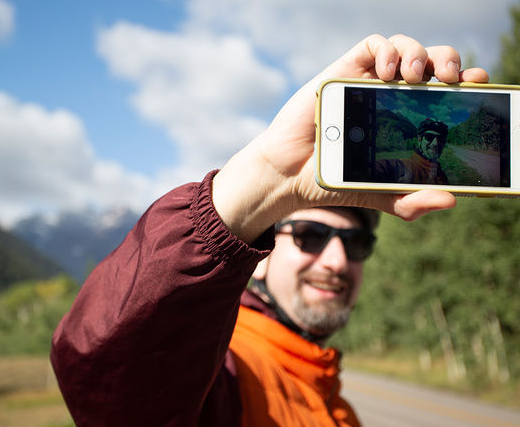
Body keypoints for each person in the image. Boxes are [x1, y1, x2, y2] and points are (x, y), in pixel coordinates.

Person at [50, 34, 489, 426]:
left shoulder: (337, 406)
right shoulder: (225, 371)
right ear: (258, 260)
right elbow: (113, 381)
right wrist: (264, 181)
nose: (337, 261)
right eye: (309, 237)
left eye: (356, 243)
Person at [374, 118, 450, 184]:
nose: (435, 143)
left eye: (440, 139)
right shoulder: (404, 167)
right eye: (429, 137)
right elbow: (381, 168)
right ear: (419, 140)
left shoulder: (442, 175)